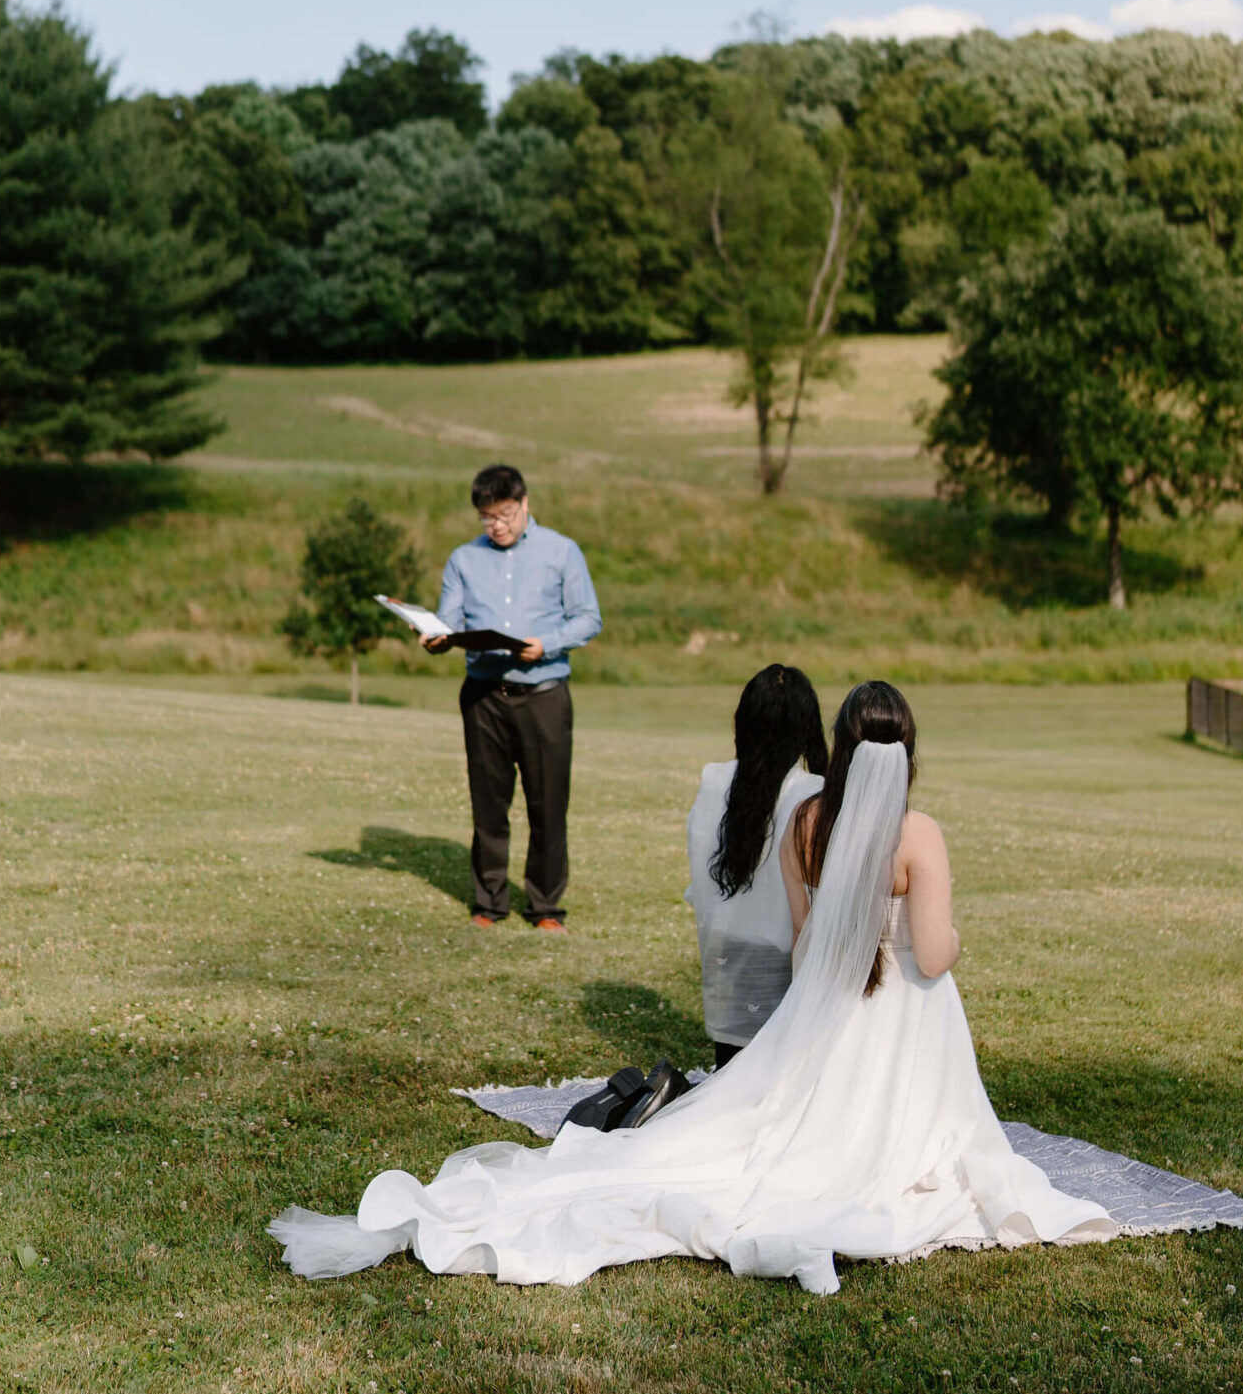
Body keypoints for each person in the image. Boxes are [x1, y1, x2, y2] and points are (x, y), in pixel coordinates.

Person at [270, 680, 1117, 1296]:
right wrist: (956, 933)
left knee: (758, 1130)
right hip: (901, 1025)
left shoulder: (804, 821)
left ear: (845, 746)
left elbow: (803, 942)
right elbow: (932, 956)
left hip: (819, 1012)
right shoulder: (918, 832)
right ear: (910, 753)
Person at [422, 463, 600, 932]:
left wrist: (547, 643)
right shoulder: (464, 559)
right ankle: (489, 903)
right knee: (488, 804)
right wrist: (438, 638)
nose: (496, 526)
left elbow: (588, 618)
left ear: (524, 505)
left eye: (504, 515)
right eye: (487, 518)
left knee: (547, 805)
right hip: (483, 695)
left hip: (543, 693)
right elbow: (449, 619)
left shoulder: (562, 551)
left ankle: (544, 908)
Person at [685, 665, 827, 1067]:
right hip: (787, 958)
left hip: (727, 950)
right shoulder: (812, 792)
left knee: (733, 1070)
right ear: (806, 726)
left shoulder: (714, 780)